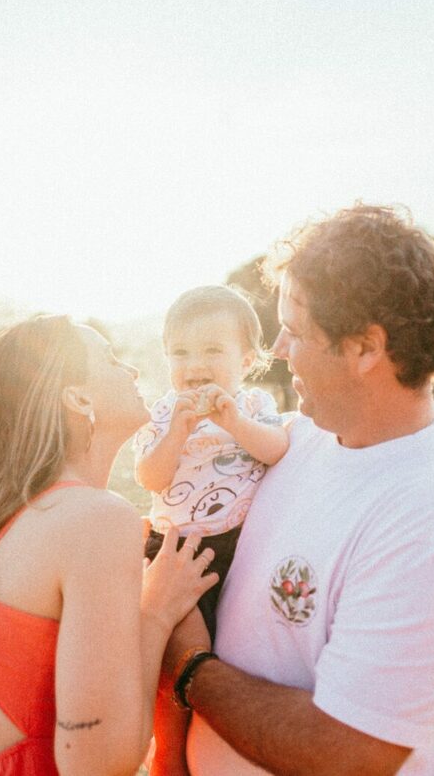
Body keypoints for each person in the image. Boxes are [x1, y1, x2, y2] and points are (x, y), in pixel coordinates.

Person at [161, 204, 434, 776]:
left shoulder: (432, 516)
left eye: (294, 331)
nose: (276, 351)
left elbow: (346, 752)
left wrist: (189, 667)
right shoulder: (297, 440)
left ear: (366, 347)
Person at [0, 315, 217, 776]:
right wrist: (157, 612)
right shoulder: (94, 519)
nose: (133, 371)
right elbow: (97, 763)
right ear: (78, 397)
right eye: (111, 359)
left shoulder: (10, 515)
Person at [133, 285, 290, 774]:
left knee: (230, 660)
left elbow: (275, 449)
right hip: (176, 551)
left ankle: (218, 751)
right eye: (181, 352)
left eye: (212, 350)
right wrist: (177, 434)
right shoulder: (162, 412)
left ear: (247, 360)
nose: (194, 363)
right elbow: (149, 477)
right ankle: (170, 760)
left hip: (240, 550)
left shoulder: (257, 405)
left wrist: (235, 421)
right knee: (181, 663)